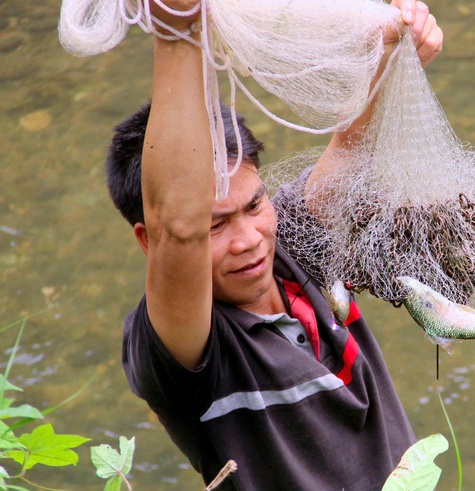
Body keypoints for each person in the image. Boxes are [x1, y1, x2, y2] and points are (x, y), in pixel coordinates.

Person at [106, 1, 443, 489]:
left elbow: (350, 147)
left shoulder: (291, 246)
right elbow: (178, 226)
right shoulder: (190, 348)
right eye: (214, 226)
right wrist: (177, 25)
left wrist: (393, 51)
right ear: (148, 241)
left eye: (254, 205)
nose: (249, 240)